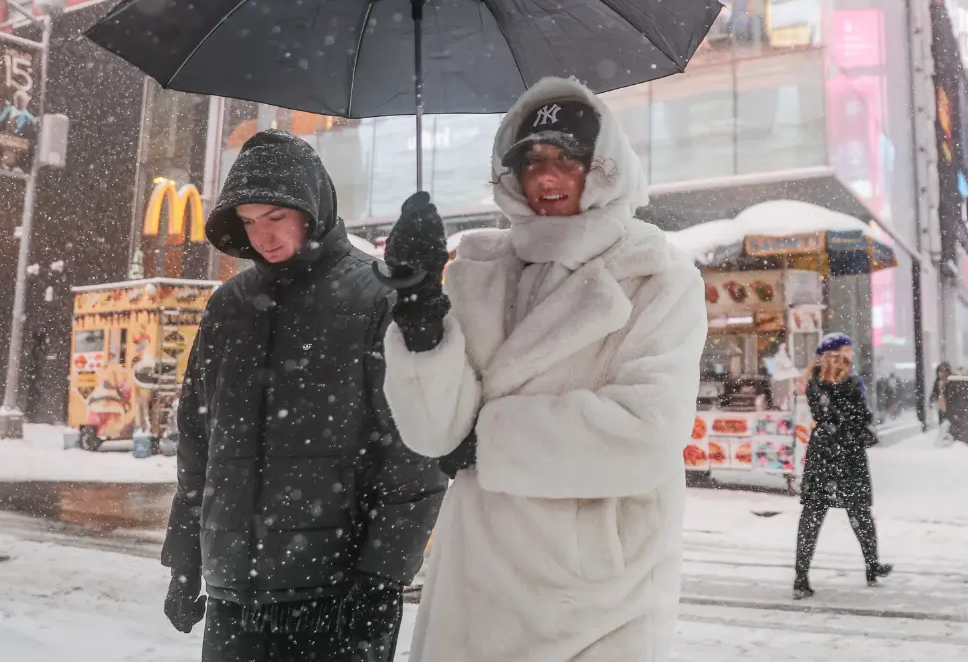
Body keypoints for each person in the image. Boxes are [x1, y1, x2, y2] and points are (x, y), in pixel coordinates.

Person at [380, 77, 708, 661]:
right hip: (475, 582)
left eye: (568, 158)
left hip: (599, 597)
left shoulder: (658, 276)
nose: (547, 177)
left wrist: (488, 442)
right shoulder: (478, 270)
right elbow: (435, 435)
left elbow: (647, 432)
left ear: (606, 168)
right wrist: (420, 312)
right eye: (531, 160)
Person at [161, 130, 446, 661]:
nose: (262, 236)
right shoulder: (228, 307)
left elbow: (414, 450)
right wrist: (184, 560)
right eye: (248, 221)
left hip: (337, 592)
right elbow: (198, 443)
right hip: (235, 593)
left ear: (312, 208)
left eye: (275, 217)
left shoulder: (373, 297)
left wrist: (383, 576)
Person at [794, 333, 892, 599]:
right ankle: (872, 565)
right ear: (835, 353)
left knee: (812, 517)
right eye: (846, 350)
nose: (850, 354)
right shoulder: (851, 381)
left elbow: (823, 414)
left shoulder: (813, 381)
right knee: (859, 512)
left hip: (823, 454)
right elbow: (861, 416)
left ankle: (800, 577)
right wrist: (859, 425)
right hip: (848, 454)